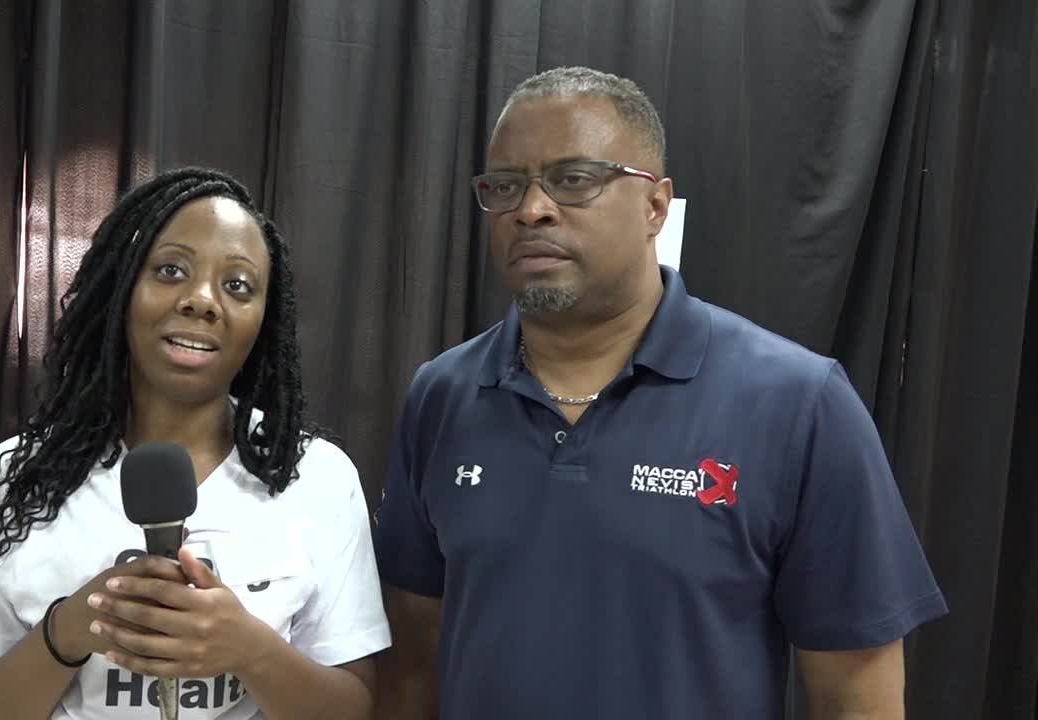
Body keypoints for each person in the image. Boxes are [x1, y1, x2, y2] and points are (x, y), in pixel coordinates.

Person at [372, 66, 947, 719]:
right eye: (505, 186)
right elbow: (412, 660)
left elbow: (856, 695)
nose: (531, 209)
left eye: (573, 179)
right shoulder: (441, 396)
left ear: (655, 205)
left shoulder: (799, 404)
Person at [0, 166, 391, 720]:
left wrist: (246, 647)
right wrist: (70, 630)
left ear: (263, 320)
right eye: (170, 270)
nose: (202, 300)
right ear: (121, 290)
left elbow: (355, 708)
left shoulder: (317, 477)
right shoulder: (20, 473)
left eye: (238, 284)